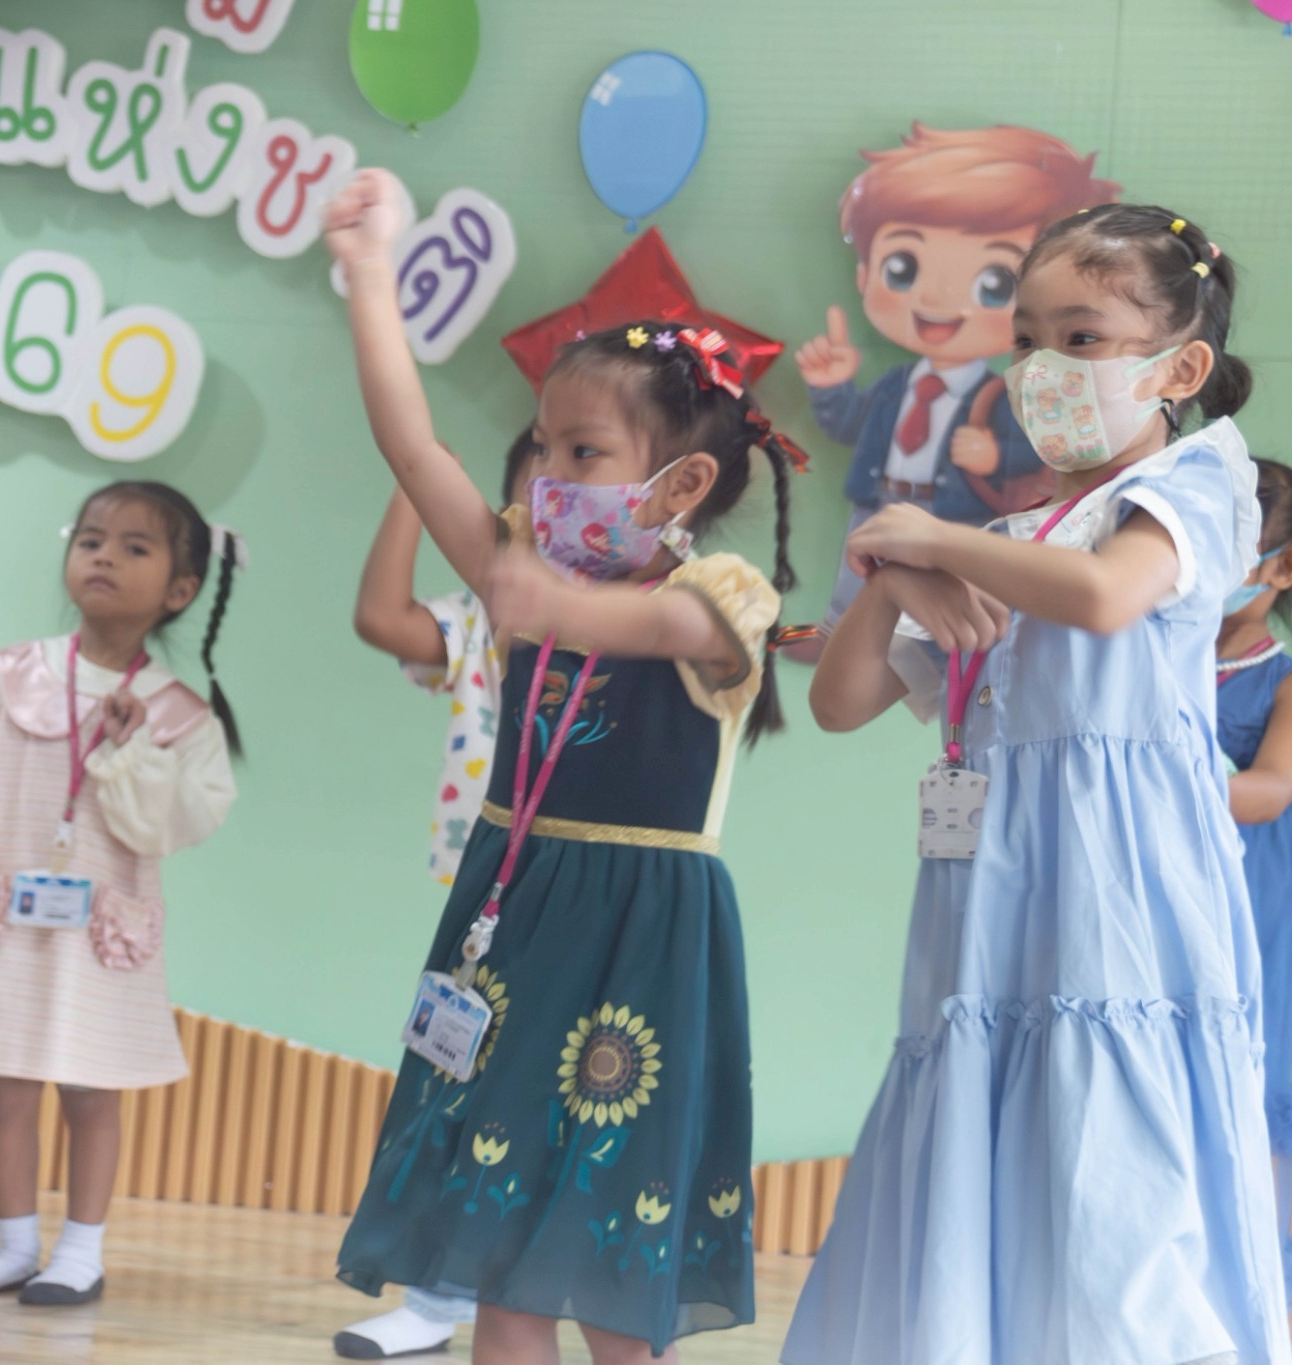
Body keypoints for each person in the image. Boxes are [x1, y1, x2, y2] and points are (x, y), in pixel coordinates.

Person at [787, 205, 1292, 1365]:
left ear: (1179, 369)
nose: (1041, 367)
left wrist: (930, 540)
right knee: (995, 1142)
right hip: (991, 887)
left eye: (1081, 337)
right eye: (1026, 337)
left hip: (1114, 882)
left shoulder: (1192, 480)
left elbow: (1108, 595)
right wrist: (886, 574)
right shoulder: (1016, 533)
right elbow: (841, 701)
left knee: (1107, 1163)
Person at [323, 168, 802, 1365]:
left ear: (681, 483)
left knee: (607, 1255)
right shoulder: (521, 569)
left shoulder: (723, 591)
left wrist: (554, 604)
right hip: (512, 901)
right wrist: (370, 273)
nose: (544, 475)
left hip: (639, 931)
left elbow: (673, 627)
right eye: (542, 447)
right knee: (499, 1257)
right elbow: (412, 444)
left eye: (580, 451)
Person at [0, 481, 242, 1308]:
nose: (105, 556)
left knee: (90, 1087)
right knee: (5, 1083)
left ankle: (81, 1250)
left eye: (136, 547)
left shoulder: (177, 714)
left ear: (180, 588)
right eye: (93, 539)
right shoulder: (3, 676)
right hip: (4, 919)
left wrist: (135, 752)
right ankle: (14, 1245)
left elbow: (172, 824)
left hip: (98, 935)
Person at [331, 431, 535, 1359]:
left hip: (590, 878)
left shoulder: (649, 615)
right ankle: (437, 1294)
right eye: (544, 462)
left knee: (536, 1084)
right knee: (460, 1069)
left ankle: (518, 1288)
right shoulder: (482, 614)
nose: (562, 483)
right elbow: (382, 618)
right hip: (489, 880)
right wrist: (415, 484)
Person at [783, 123, 1119, 661]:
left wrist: (994, 456)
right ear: (865, 273)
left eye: (995, 283)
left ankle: (944, 654)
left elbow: (1039, 447)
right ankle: (839, 635)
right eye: (903, 267)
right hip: (879, 498)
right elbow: (850, 425)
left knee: (953, 592)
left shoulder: (1001, 394)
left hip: (956, 513)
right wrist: (830, 388)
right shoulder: (896, 386)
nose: (939, 298)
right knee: (859, 572)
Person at [1217, 456, 1292, 1303]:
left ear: (1282, 567)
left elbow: (1266, 790)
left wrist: (1143, 775)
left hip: (1247, 902)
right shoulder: (1139, 656)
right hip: (1141, 888)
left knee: (1238, 1079)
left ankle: (1238, 1298)